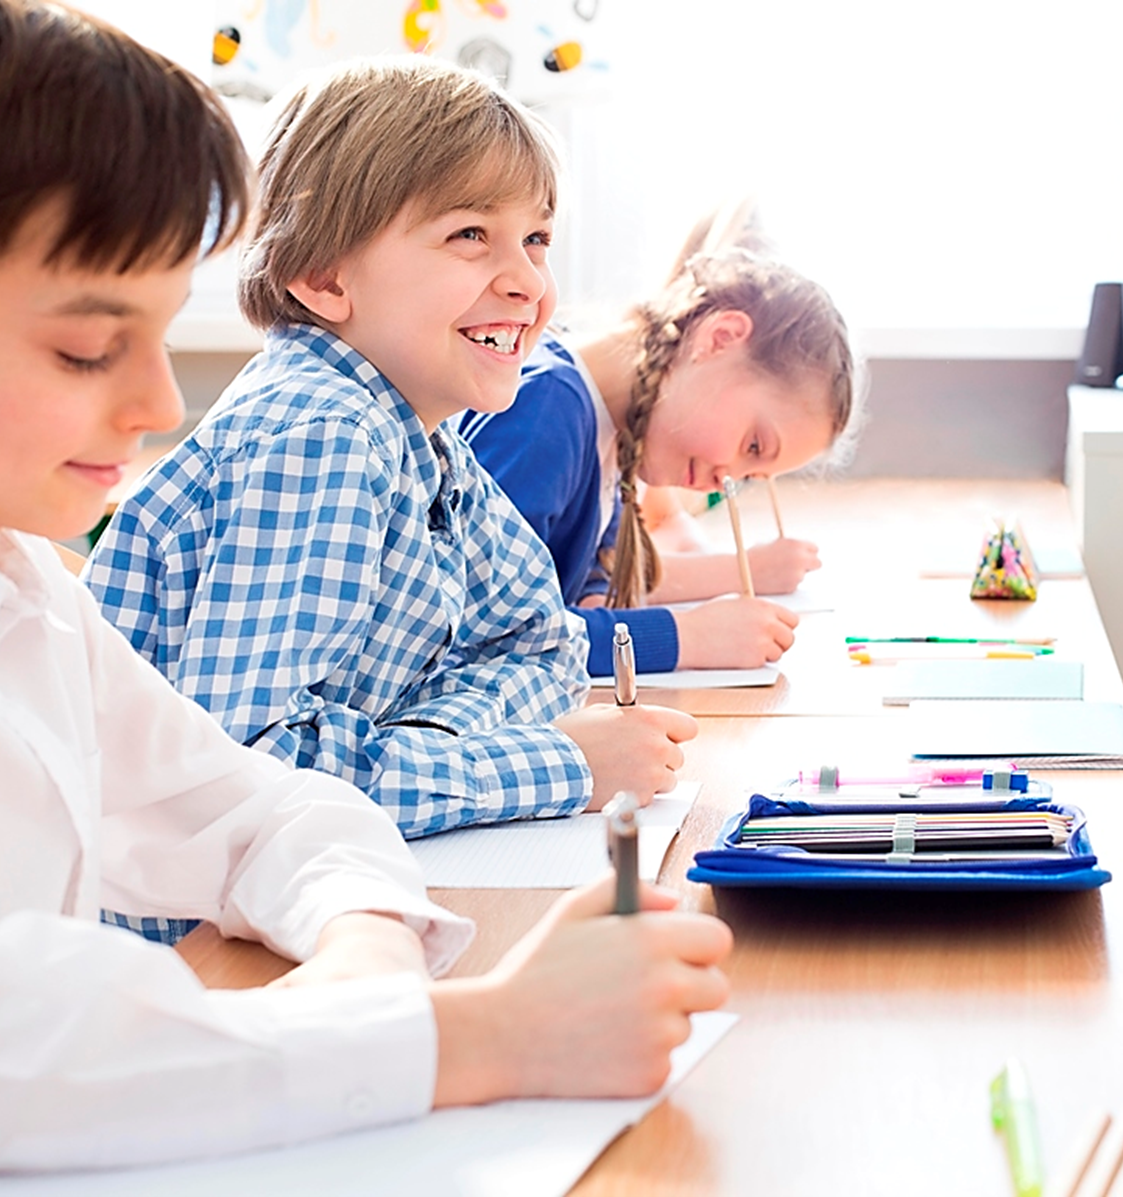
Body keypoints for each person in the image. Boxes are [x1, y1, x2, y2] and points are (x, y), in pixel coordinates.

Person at [0, 2, 730, 1190]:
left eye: (157, 334)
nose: (158, 406)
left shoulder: (7, 570)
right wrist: (483, 1034)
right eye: (91, 349)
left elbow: (252, 806)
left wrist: (364, 946)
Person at [84, 54, 697, 872]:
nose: (527, 282)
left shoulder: (422, 431)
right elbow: (243, 782)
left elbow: (542, 645)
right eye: (469, 235)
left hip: (290, 891)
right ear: (323, 276)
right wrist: (558, 765)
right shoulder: (319, 435)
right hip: (187, 940)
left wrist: (416, 745)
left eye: (537, 238)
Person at [459, 204, 858, 677]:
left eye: (751, 475)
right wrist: (686, 638)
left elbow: (579, 594)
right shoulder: (546, 411)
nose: (726, 479)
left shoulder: (612, 438)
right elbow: (491, 637)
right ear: (721, 338)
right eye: (752, 446)